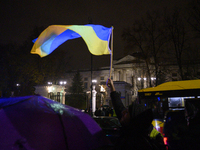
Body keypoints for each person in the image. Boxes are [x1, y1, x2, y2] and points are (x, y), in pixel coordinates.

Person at [106, 78, 164, 150]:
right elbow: (119, 106)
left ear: (134, 120)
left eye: (127, 113)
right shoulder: (131, 126)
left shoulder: (140, 143)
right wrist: (112, 87)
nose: (123, 112)